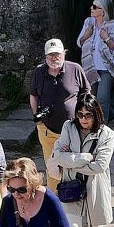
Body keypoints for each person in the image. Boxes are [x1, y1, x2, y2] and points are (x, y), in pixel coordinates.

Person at [48, 91, 114, 227]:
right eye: (80, 114)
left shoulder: (107, 134)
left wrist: (72, 159)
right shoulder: (69, 126)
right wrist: (86, 157)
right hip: (71, 187)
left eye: (88, 115)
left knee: (97, 225)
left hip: (95, 186)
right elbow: (58, 155)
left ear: (96, 115)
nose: (84, 119)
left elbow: (100, 166)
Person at [29, 39, 90, 192]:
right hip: (48, 129)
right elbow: (33, 95)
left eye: (57, 54)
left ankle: (75, 195)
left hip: (74, 130)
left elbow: (86, 93)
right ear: (45, 56)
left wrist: (84, 117)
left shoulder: (75, 69)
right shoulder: (39, 72)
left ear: (64, 53)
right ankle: (55, 201)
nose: (54, 58)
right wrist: (38, 118)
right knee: (52, 167)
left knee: (74, 164)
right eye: (50, 55)